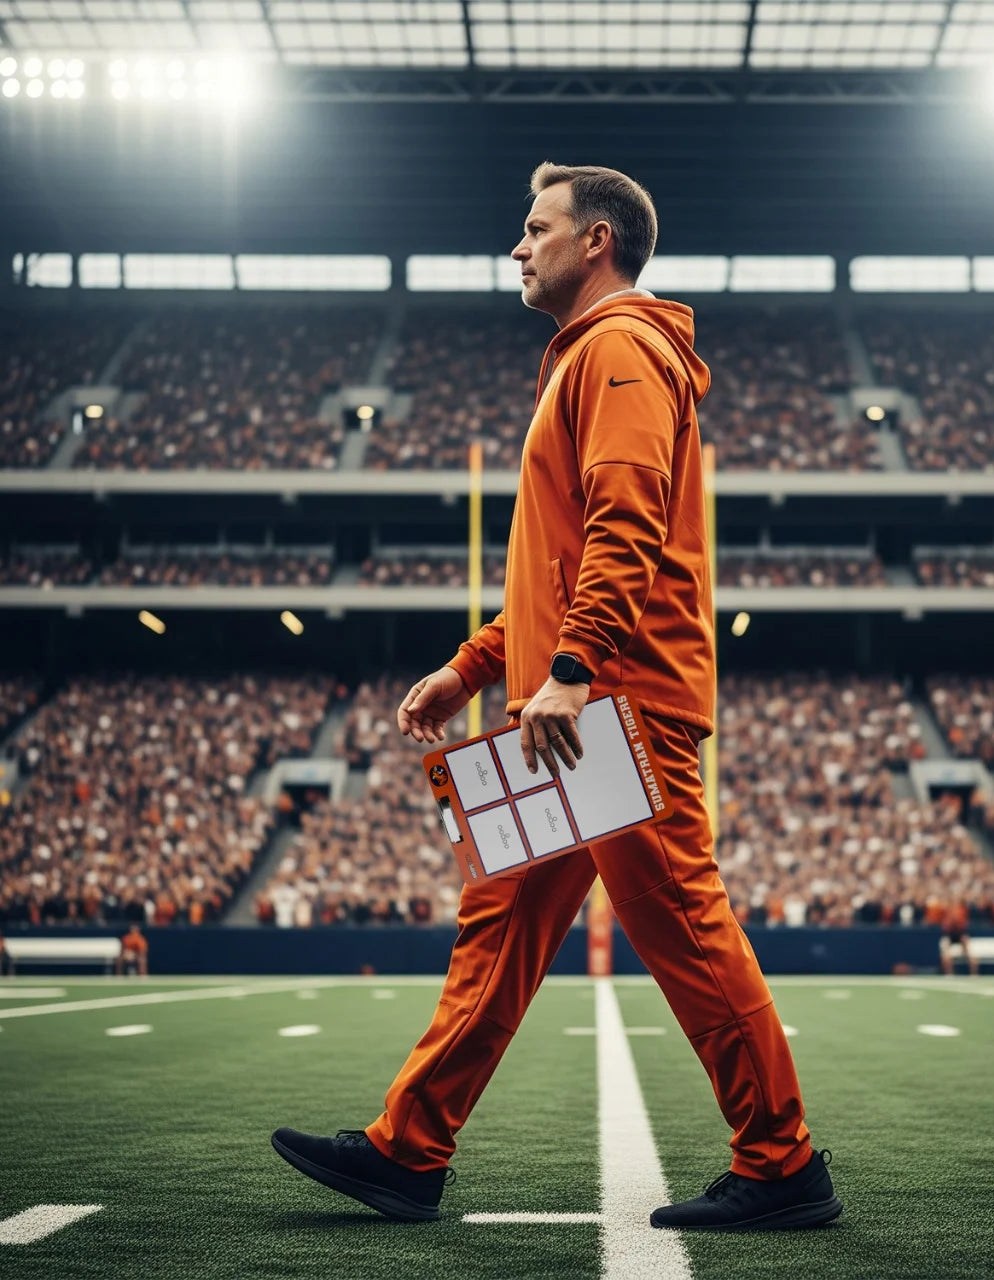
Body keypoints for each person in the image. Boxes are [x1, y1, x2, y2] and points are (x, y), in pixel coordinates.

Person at [272, 162, 841, 1231]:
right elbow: (557, 567)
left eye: (535, 227)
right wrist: (473, 664)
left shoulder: (621, 346)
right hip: (565, 711)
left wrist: (572, 670)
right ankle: (407, 1149)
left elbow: (626, 526)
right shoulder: (589, 355)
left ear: (597, 242)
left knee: (681, 922)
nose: (517, 245)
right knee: (495, 931)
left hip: (611, 706)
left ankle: (781, 1162)